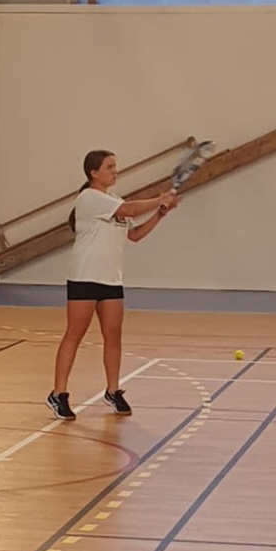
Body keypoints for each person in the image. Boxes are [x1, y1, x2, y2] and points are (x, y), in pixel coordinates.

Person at [46, 149, 178, 421]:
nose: (115, 171)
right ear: (94, 173)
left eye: (115, 166)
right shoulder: (90, 198)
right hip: (84, 276)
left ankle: (113, 390)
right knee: (75, 334)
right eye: (109, 167)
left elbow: (135, 234)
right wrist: (159, 199)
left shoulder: (113, 200)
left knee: (113, 335)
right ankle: (58, 394)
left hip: (111, 279)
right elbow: (129, 209)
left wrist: (160, 214)